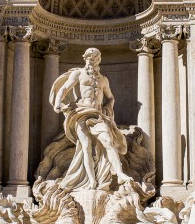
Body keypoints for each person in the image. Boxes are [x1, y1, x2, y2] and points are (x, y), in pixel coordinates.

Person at [49, 48, 133, 191]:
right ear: (85, 59)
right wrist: (58, 103)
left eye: (94, 58)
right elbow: (64, 89)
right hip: (81, 112)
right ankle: (92, 182)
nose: (91, 60)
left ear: (98, 60)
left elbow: (111, 97)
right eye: (88, 57)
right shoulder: (78, 74)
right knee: (85, 147)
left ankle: (119, 174)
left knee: (108, 141)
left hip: (98, 115)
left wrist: (108, 109)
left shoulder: (103, 79)